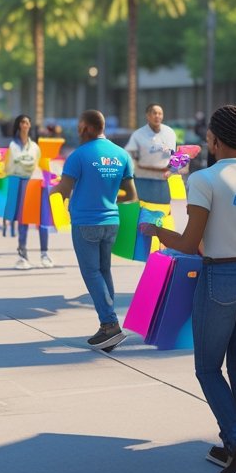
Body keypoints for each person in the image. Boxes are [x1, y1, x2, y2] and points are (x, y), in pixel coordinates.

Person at [141, 105, 236, 473]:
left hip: (221, 278)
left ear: (214, 140)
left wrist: (156, 230)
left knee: (207, 368)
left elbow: (188, 243)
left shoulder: (203, 179)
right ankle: (235, 442)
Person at [52, 110, 138, 351]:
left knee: (91, 273)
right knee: (103, 271)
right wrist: (106, 199)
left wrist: (48, 193)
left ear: (85, 128)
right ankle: (106, 328)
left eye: (80, 127)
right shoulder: (121, 155)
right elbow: (131, 196)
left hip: (86, 222)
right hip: (111, 221)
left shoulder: (78, 156)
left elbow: (64, 189)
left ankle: (110, 325)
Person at [6, 114, 53, 269]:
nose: (26, 125)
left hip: (35, 183)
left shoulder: (35, 147)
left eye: (28, 122)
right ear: (19, 125)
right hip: (19, 183)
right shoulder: (12, 146)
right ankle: (22, 255)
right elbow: (8, 167)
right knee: (23, 220)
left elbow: (41, 165)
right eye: (23, 122)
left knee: (42, 220)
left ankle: (44, 254)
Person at [125, 103, 177, 206]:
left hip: (163, 181)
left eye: (160, 113)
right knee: (143, 215)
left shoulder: (170, 132)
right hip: (143, 180)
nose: (157, 116)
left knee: (162, 216)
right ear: (147, 116)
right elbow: (129, 156)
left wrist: (173, 169)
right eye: (154, 113)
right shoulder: (138, 135)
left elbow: (176, 155)